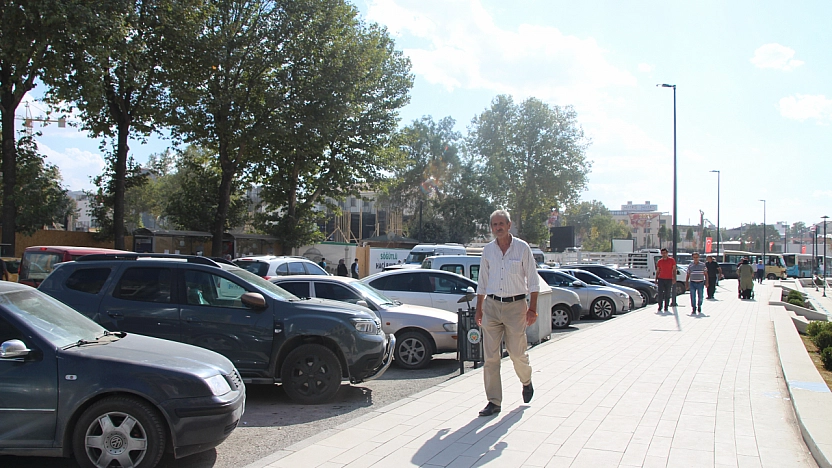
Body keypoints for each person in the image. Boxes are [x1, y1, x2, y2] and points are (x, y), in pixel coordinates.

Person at [475, 210, 538, 417]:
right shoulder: (488, 251)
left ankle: (526, 381)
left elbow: (533, 280)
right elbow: (482, 282)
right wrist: (479, 309)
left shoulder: (522, 248)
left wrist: (532, 309)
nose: (498, 228)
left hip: (516, 307)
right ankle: (494, 401)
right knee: (491, 357)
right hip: (492, 307)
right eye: (494, 225)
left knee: (517, 353)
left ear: (509, 225)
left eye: (501, 224)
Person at [655, 248, 676, 312]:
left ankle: (666, 307)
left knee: (667, 293)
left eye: (665, 253)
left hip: (669, 279)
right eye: (662, 253)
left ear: (667, 253)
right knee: (660, 293)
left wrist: (674, 278)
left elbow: (674, 270)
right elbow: (658, 271)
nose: (664, 254)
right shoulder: (660, 261)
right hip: (661, 279)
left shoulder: (672, 260)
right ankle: (660, 306)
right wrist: (656, 279)